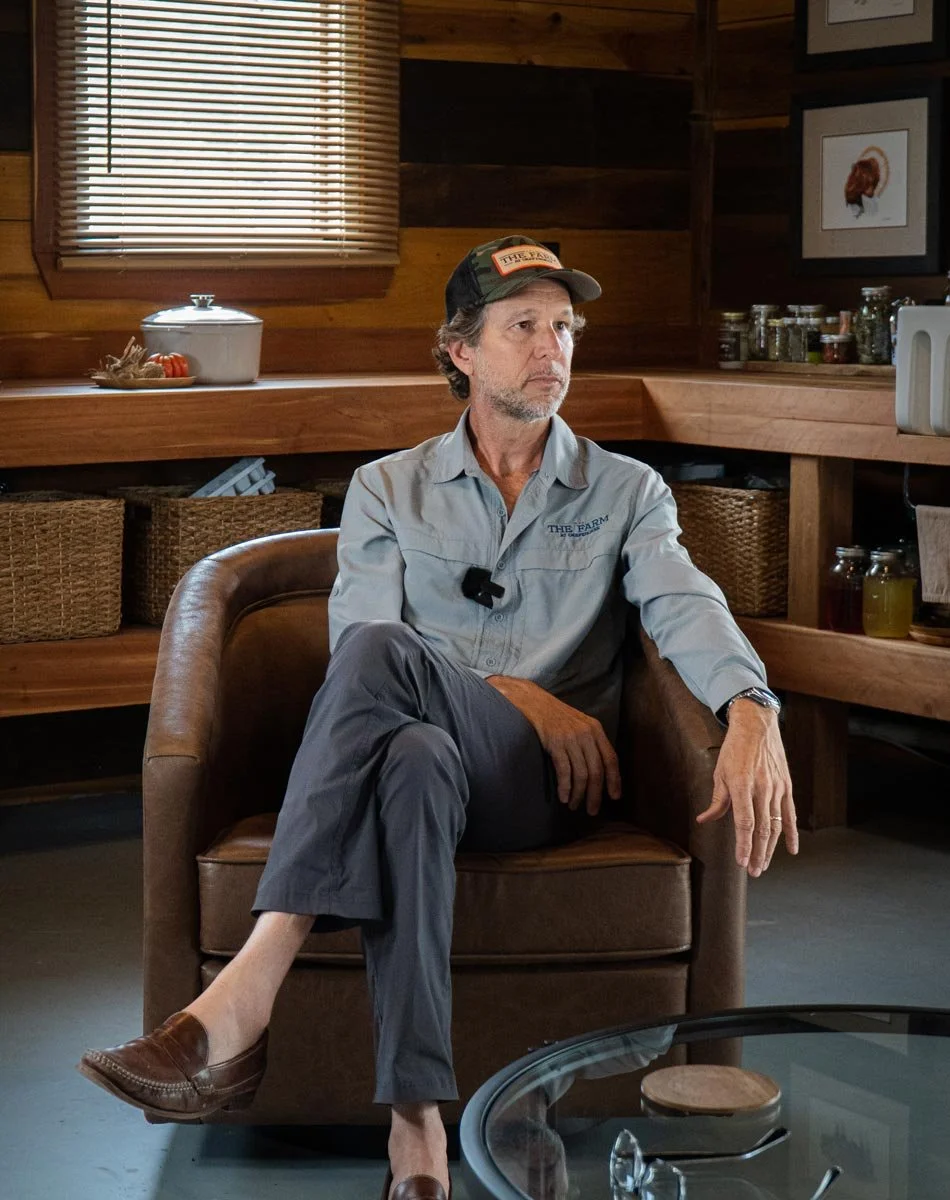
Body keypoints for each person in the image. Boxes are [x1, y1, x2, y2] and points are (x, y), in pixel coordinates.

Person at [78, 235, 797, 1200]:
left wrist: (751, 703)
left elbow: (685, 603)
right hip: (433, 765)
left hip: (548, 788)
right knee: (410, 751)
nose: (553, 350)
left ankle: (248, 988)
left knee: (386, 665)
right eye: (524, 328)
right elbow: (362, 655)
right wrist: (523, 694)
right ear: (460, 351)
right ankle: (416, 1127)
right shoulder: (388, 489)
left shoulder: (628, 492)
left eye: (564, 328)